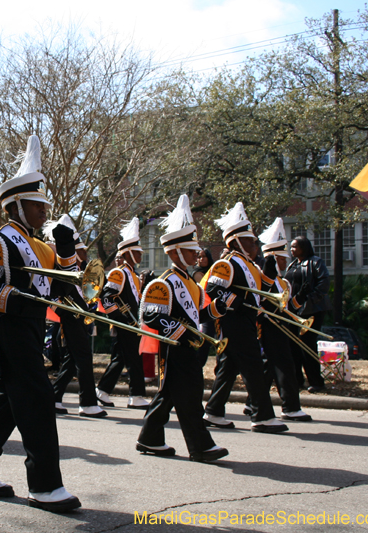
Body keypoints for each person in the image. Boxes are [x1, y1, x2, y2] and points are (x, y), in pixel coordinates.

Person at [0, 135, 80, 512]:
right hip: (12, 327)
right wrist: (24, 299)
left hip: (32, 329)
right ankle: (44, 485)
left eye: (45, 204)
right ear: (16, 205)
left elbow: (67, 285)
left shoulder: (41, 245)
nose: (44, 211)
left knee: (11, 401)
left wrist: (67, 251)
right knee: (38, 399)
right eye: (37, 205)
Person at [136, 194, 229, 461]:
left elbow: (199, 311)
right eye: (191, 251)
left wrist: (218, 308)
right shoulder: (164, 282)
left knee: (169, 396)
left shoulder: (189, 281)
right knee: (188, 397)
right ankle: (200, 446)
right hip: (175, 349)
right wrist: (183, 331)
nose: (197, 254)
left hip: (187, 346)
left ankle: (150, 438)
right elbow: (151, 316)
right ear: (175, 252)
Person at [202, 202, 288, 434]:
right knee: (253, 367)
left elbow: (264, 290)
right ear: (236, 241)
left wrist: (269, 272)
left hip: (247, 323)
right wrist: (236, 302)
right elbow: (212, 290)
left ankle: (213, 410)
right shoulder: (226, 263)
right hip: (235, 323)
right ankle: (262, 416)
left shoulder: (249, 265)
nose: (254, 244)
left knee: (229, 369)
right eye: (249, 240)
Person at [248, 218, 311, 421]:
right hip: (268, 326)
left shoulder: (283, 283)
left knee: (268, 367)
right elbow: (257, 300)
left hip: (281, 325)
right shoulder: (260, 276)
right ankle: (290, 407)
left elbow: (289, 307)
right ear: (273, 259)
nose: (286, 262)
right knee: (285, 366)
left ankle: (252, 404)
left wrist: (301, 295)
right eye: (282, 259)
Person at [46, 214, 106, 418]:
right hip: (70, 317)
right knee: (83, 357)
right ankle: (87, 403)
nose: (84, 252)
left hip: (79, 316)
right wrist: (68, 310)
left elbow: (87, 293)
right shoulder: (59, 268)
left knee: (72, 360)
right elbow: (53, 296)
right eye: (80, 249)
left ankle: (53, 398)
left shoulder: (78, 270)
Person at [95, 217, 148, 409]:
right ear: (128, 254)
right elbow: (107, 297)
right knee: (134, 359)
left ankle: (101, 391)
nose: (140, 255)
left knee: (120, 359)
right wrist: (120, 320)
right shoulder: (119, 273)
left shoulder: (133, 274)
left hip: (131, 324)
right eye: (137, 252)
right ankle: (136, 395)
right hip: (125, 324)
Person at [284, 235, 331, 392]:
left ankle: (316, 382)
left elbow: (324, 283)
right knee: (292, 345)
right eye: (291, 247)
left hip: (312, 310)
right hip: (293, 311)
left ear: (304, 247)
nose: (292, 249)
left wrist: (309, 300)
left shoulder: (315, 262)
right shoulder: (292, 265)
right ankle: (297, 380)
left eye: (295, 246)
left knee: (307, 344)